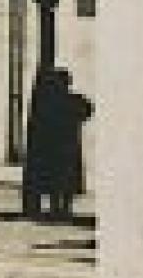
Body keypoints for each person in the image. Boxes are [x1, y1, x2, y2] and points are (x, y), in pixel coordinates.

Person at [21, 68, 94, 222]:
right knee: (64, 182)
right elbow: (87, 111)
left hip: (58, 149)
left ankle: (58, 209)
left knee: (58, 182)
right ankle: (63, 209)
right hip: (67, 148)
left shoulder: (50, 103)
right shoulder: (71, 101)